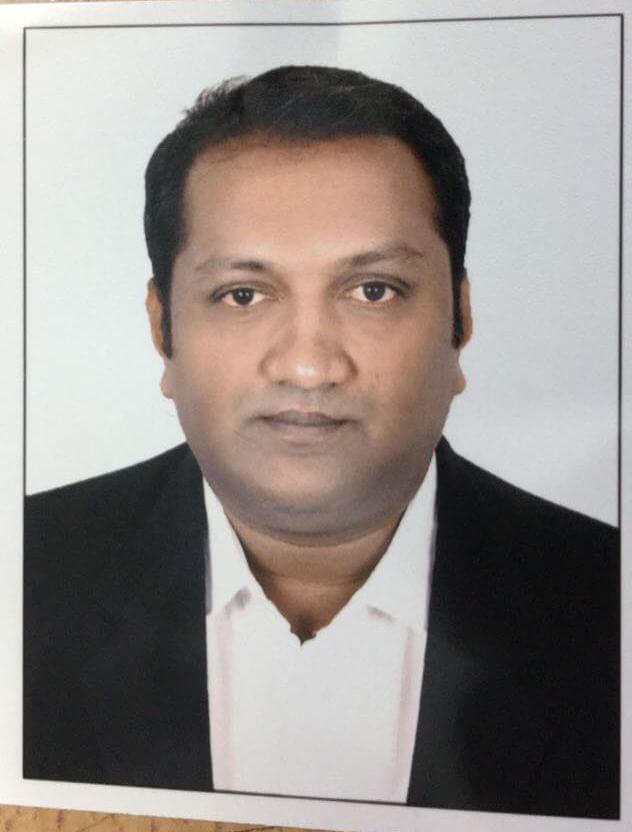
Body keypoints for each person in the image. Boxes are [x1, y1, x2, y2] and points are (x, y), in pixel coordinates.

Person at [23, 65, 619, 818]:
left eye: (374, 290)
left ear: (460, 320)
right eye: (243, 295)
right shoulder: (25, 573)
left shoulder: (607, 605)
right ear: (161, 329)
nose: (308, 366)